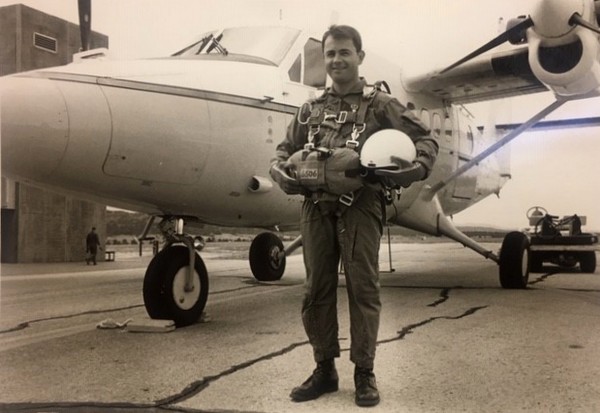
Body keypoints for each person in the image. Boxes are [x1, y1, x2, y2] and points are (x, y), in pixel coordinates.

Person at [270, 25, 438, 407]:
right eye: (330, 53)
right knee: (316, 290)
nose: (336, 60)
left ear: (360, 57)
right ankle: (324, 369)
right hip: (314, 206)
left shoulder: (381, 105)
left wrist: (416, 169)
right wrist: (279, 172)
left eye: (344, 52)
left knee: (363, 289)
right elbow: (283, 150)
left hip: (361, 206)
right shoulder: (311, 108)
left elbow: (426, 139)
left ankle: (364, 372)